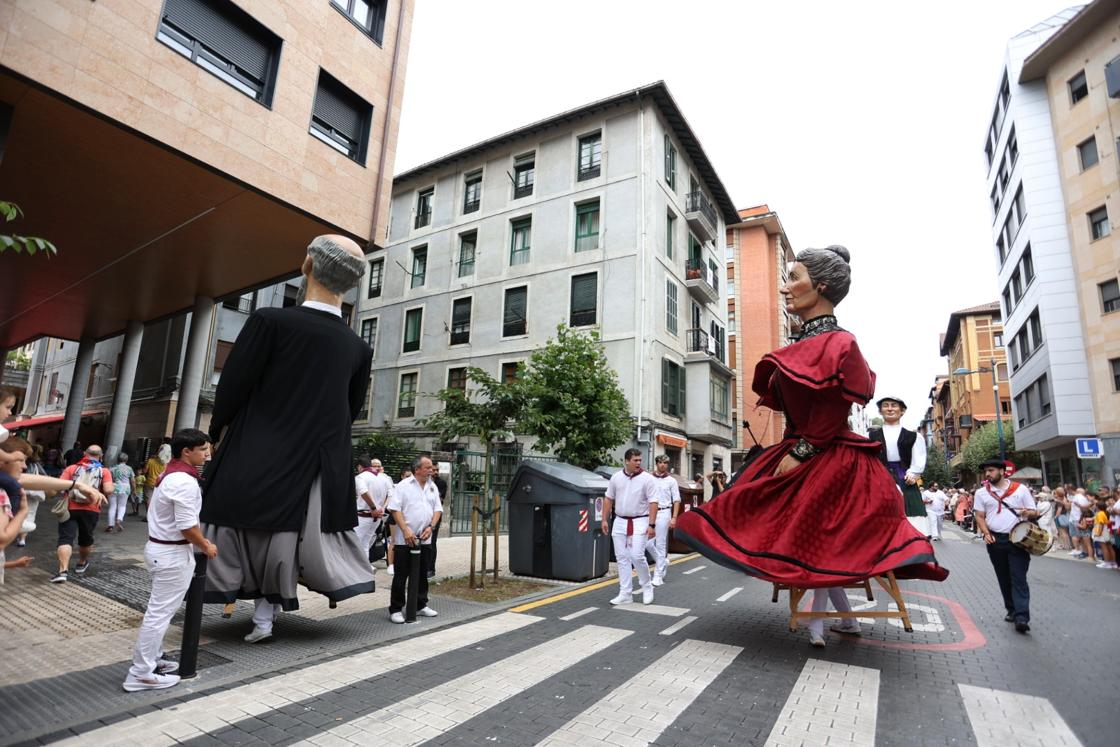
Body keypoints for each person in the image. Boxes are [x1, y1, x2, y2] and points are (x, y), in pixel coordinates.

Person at [674, 246, 947, 648]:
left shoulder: (840, 344)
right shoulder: (806, 343)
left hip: (827, 457)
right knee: (779, 523)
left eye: (794, 278)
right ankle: (840, 622)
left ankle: (822, 625)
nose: (787, 288)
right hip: (803, 449)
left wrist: (802, 452)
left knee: (821, 542)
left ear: (819, 286)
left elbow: (832, 408)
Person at [201, 235, 375, 643]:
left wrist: (218, 431)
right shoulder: (357, 346)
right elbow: (350, 410)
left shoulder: (269, 321)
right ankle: (268, 613)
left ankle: (232, 605)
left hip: (257, 448)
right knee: (288, 537)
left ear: (307, 266)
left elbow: (234, 386)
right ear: (351, 285)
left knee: (241, 527)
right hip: (318, 459)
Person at [122, 429, 217, 692]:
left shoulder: (172, 473)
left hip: (161, 548)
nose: (207, 454)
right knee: (159, 614)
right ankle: (140, 673)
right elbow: (187, 526)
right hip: (172, 553)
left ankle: (153, 660)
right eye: (203, 449)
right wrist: (205, 545)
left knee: (158, 612)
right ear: (187, 451)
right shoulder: (183, 481)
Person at [972, 459, 1037, 633]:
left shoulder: (1020, 490)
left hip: (1018, 540)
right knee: (1003, 577)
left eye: (991, 470)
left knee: (1018, 578)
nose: (987, 474)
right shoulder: (981, 493)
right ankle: (1011, 609)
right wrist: (986, 533)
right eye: (986, 471)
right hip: (995, 540)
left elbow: (1034, 511)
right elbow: (979, 516)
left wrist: (1027, 512)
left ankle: (1022, 616)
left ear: (1002, 471)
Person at [385, 455, 442, 623]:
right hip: (406, 538)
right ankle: (396, 609)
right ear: (417, 469)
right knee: (401, 574)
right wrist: (405, 530)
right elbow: (395, 509)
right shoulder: (403, 486)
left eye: (431, 468)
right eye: (428, 468)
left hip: (425, 537)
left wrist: (431, 527)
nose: (431, 470)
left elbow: (438, 509)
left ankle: (420, 604)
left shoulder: (432, 487)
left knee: (422, 573)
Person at [603, 448, 658, 606]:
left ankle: (647, 586)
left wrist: (651, 525)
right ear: (627, 461)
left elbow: (653, 502)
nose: (639, 463)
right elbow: (608, 498)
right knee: (622, 558)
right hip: (619, 520)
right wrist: (604, 520)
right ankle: (625, 593)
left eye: (640, 460)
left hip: (640, 520)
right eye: (635, 460)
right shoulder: (616, 477)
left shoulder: (647, 479)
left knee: (636, 555)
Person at [52, 445, 113, 583]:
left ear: (85, 453)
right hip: (91, 509)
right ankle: (81, 563)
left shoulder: (72, 468)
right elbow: (108, 490)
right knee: (86, 539)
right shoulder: (104, 471)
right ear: (101, 456)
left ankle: (62, 571)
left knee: (65, 539)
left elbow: (60, 485)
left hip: (69, 508)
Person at [868, 397, 927, 524]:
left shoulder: (914, 436)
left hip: (905, 479)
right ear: (880, 411)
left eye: (894, 405)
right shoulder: (870, 436)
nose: (889, 409)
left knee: (912, 517)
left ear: (902, 411)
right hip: (879, 479)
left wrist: (913, 474)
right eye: (885, 406)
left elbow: (919, 458)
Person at [354, 457, 392, 564]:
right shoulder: (383, 477)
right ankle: (366, 568)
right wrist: (383, 507)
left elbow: (364, 492)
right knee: (365, 544)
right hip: (377, 518)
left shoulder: (360, 477)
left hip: (364, 516)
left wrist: (373, 507)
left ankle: (359, 569)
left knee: (355, 544)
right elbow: (391, 494)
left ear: (360, 467)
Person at [650, 455, 680, 587]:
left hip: (664, 512)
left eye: (665, 463)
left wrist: (674, 517)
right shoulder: (649, 479)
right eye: (660, 462)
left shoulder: (671, 481)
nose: (663, 465)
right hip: (650, 513)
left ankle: (658, 576)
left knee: (660, 544)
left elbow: (677, 500)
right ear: (656, 463)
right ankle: (662, 562)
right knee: (647, 543)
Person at [136, 443, 171, 518]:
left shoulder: (151, 461)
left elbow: (145, 471)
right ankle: (156, 515)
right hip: (161, 484)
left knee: (148, 499)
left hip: (150, 482)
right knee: (157, 500)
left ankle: (149, 516)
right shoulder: (167, 464)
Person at [107, 453, 136, 533]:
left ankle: (110, 525)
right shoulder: (129, 469)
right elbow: (133, 481)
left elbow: (108, 479)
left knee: (112, 506)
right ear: (126, 460)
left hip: (113, 487)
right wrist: (134, 490)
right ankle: (119, 520)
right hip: (125, 488)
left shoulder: (112, 468)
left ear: (117, 459)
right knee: (122, 506)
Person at [1068, 488, 1095, 560]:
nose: (1086, 497)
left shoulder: (1085, 514)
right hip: (1081, 521)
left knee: (1087, 543)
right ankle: (1085, 552)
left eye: (1087, 496)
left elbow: (1084, 526)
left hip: (1084, 526)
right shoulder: (1085, 503)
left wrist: (1078, 524)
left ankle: (1090, 555)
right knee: (1084, 541)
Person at [1092, 498, 1116, 569]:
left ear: (1097, 507)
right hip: (1106, 530)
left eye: (1095, 505)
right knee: (1109, 547)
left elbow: (1101, 524)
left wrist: (1098, 533)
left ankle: (1107, 563)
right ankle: (1113, 562)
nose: (1094, 506)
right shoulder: (1104, 513)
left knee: (1104, 547)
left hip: (1102, 531)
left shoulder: (1099, 514)